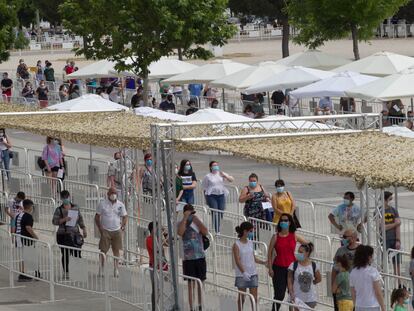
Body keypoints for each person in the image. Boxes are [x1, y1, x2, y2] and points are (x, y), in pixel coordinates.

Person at [268, 213, 308, 311]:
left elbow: (308, 245)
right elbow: (269, 253)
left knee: (293, 294)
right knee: (279, 295)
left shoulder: (294, 236)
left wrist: (302, 256)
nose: (283, 222)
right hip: (278, 268)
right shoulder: (275, 237)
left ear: (290, 222)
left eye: (286, 220)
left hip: (292, 268)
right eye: (282, 220)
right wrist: (270, 268)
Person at [177, 204, 208, 311]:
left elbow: (205, 232)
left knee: (200, 282)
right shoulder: (181, 223)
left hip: (200, 256)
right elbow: (180, 233)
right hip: (188, 258)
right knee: (191, 284)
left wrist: (197, 220)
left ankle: (199, 306)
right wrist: (185, 218)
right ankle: (191, 307)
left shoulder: (196, 222)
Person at [232, 222, 266, 311]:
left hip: (253, 273)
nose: (252, 233)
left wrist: (264, 262)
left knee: (254, 298)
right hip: (242, 274)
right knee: (242, 297)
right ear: (245, 231)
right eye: (250, 231)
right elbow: (237, 260)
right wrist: (243, 272)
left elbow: (253, 258)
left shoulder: (250, 243)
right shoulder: (236, 244)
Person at [52, 190, 87, 279]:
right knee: (66, 254)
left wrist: (84, 229)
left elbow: (80, 219)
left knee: (77, 253)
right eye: (63, 198)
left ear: (69, 197)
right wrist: (64, 219)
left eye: (66, 198)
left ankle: (77, 271)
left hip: (75, 233)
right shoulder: (59, 209)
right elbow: (54, 221)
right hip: (63, 234)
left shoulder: (75, 207)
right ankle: (66, 271)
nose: (65, 200)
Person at [95, 187, 128, 277]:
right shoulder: (102, 204)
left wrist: (123, 226)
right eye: (112, 193)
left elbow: (125, 216)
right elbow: (97, 216)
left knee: (116, 251)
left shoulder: (120, 204)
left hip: (117, 230)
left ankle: (116, 269)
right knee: (103, 251)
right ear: (108, 194)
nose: (113, 195)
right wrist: (100, 228)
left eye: (115, 193)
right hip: (105, 230)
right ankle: (101, 269)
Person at [350, 245, 385, 311]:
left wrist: (356, 304)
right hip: (372, 305)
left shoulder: (353, 272)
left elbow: (353, 293)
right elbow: (378, 292)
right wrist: (383, 307)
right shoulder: (373, 271)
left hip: (359, 305)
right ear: (368, 257)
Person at [202, 161, 234, 233]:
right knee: (215, 212)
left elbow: (231, 179)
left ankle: (220, 228)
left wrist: (225, 176)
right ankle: (217, 230)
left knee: (221, 212)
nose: (216, 166)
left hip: (221, 195)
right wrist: (206, 198)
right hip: (212, 196)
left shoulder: (221, 174)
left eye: (217, 165)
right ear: (210, 167)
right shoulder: (208, 176)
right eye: (214, 165)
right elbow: (204, 187)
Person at [331, 229, 359, 311]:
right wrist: (333, 286)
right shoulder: (340, 250)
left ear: (353, 238)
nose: (343, 239)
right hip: (342, 293)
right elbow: (334, 269)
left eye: (345, 237)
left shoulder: (360, 251)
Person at [288, 242, 321, 310]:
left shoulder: (313, 265)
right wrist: (291, 292)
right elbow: (289, 279)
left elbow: (319, 279)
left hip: (310, 298)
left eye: (301, 252)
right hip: (297, 298)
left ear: (307, 253)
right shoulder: (293, 265)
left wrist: (311, 282)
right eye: (298, 251)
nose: (298, 254)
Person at [15, 199, 38, 282]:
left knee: (22, 256)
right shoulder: (28, 216)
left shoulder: (19, 214)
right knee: (24, 256)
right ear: (30, 207)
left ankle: (22, 273)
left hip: (18, 237)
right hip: (24, 238)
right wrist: (35, 237)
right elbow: (28, 228)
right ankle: (23, 274)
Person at [384, 191, 401, 278]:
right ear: (385, 200)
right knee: (384, 262)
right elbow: (382, 227)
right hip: (384, 240)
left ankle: (398, 283)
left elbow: (398, 226)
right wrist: (394, 224)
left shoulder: (394, 210)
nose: (391, 201)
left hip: (394, 239)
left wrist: (398, 240)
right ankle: (385, 282)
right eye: (390, 199)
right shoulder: (379, 211)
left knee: (397, 263)